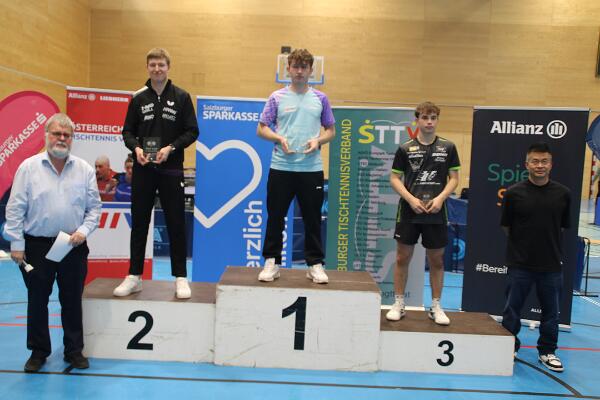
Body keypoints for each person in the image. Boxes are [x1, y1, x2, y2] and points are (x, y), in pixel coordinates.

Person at [3, 113, 101, 372]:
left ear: (72, 139)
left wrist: (84, 230)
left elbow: (94, 208)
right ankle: (38, 352)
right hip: (36, 246)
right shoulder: (28, 168)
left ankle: (74, 351)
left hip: (73, 245)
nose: (62, 138)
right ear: (46, 136)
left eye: (67, 135)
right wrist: (16, 244)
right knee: (37, 300)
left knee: (72, 299)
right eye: (57, 133)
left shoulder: (84, 169)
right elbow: (15, 208)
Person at [113, 48, 199, 299]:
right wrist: (137, 149)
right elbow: (127, 132)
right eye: (153, 65)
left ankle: (180, 277)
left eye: (161, 65)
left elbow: (192, 131)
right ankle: (134, 276)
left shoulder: (181, 97)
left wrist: (171, 148)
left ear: (168, 67)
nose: (157, 69)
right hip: (144, 170)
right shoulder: (138, 98)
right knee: (140, 223)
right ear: (147, 67)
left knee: (176, 223)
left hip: (171, 170)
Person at [257, 48, 335, 283]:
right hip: (281, 167)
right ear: (288, 69)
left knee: (312, 219)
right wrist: (278, 138)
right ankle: (272, 262)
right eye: (296, 67)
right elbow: (261, 128)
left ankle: (315, 264)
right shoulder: (276, 97)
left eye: (304, 67)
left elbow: (331, 131)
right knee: (275, 217)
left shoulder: (321, 99)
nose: (300, 71)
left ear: (311, 70)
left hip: (311, 169)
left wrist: (318, 140)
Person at [387, 101, 460, 325]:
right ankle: (399, 303)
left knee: (436, 260)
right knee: (402, 257)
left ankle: (436, 306)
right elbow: (394, 178)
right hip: (409, 212)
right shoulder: (405, 148)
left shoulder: (448, 147)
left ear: (437, 120)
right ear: (417, 120)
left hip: (436, 212)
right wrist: (411, 199)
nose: (429, 122)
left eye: (433, 118)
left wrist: (440, 199)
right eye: (425, 118)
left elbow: (454, 179)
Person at [501, 142, 571, 373]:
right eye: (535, 161)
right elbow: (506, 226)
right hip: (519, 264)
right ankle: (509, 347)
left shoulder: (563, 194)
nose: (540, 165)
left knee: (551, 313)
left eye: (544, 161)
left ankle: (547, 351)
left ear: (551, 164)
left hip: (551, 265)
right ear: (527, 164)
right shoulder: (513, 193)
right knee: (512, 310)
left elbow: (562, 226)